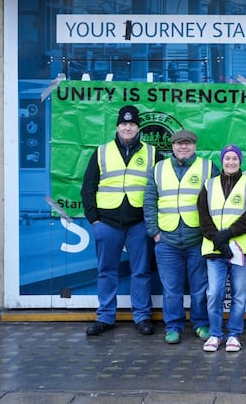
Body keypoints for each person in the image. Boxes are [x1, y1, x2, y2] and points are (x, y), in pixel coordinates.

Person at [80, 105, 163, 337]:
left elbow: (163, 187)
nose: (128, 127)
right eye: (124, 124)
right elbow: (88, 188)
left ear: (138, 128)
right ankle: (105, 317)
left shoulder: (152, 153)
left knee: (141, 272)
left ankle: (142, 316)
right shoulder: (101, 152)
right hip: (107, 223)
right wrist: (94, 221)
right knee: (106, 271)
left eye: (132, 124)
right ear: (117, 126)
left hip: (139, 223)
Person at [144, 129, 218, 344]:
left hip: (197, 239)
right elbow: (149, 201)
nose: (183, 147)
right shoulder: (158, 169)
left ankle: (201, 323)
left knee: (200, 287)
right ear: (172, 146)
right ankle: (173, 327)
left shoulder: (208, 167)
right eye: (179, 144)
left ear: (194, 146)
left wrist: (209, 234)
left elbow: (217, 201)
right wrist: (154, 232)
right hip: (166, 239)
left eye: (187, 144)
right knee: (171, 289)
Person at [198, 144, 246, 353]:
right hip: (215, 249)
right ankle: (215, 334)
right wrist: (219, 240)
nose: (231, 162)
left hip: (242, 250)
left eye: (235, 158)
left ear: (240, 161)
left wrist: (228, 234)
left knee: (239, 295)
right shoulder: (209, 184)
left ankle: (234, 334)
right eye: (227, 158)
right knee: (214, 293)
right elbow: (203, 216)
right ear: (222, 161)